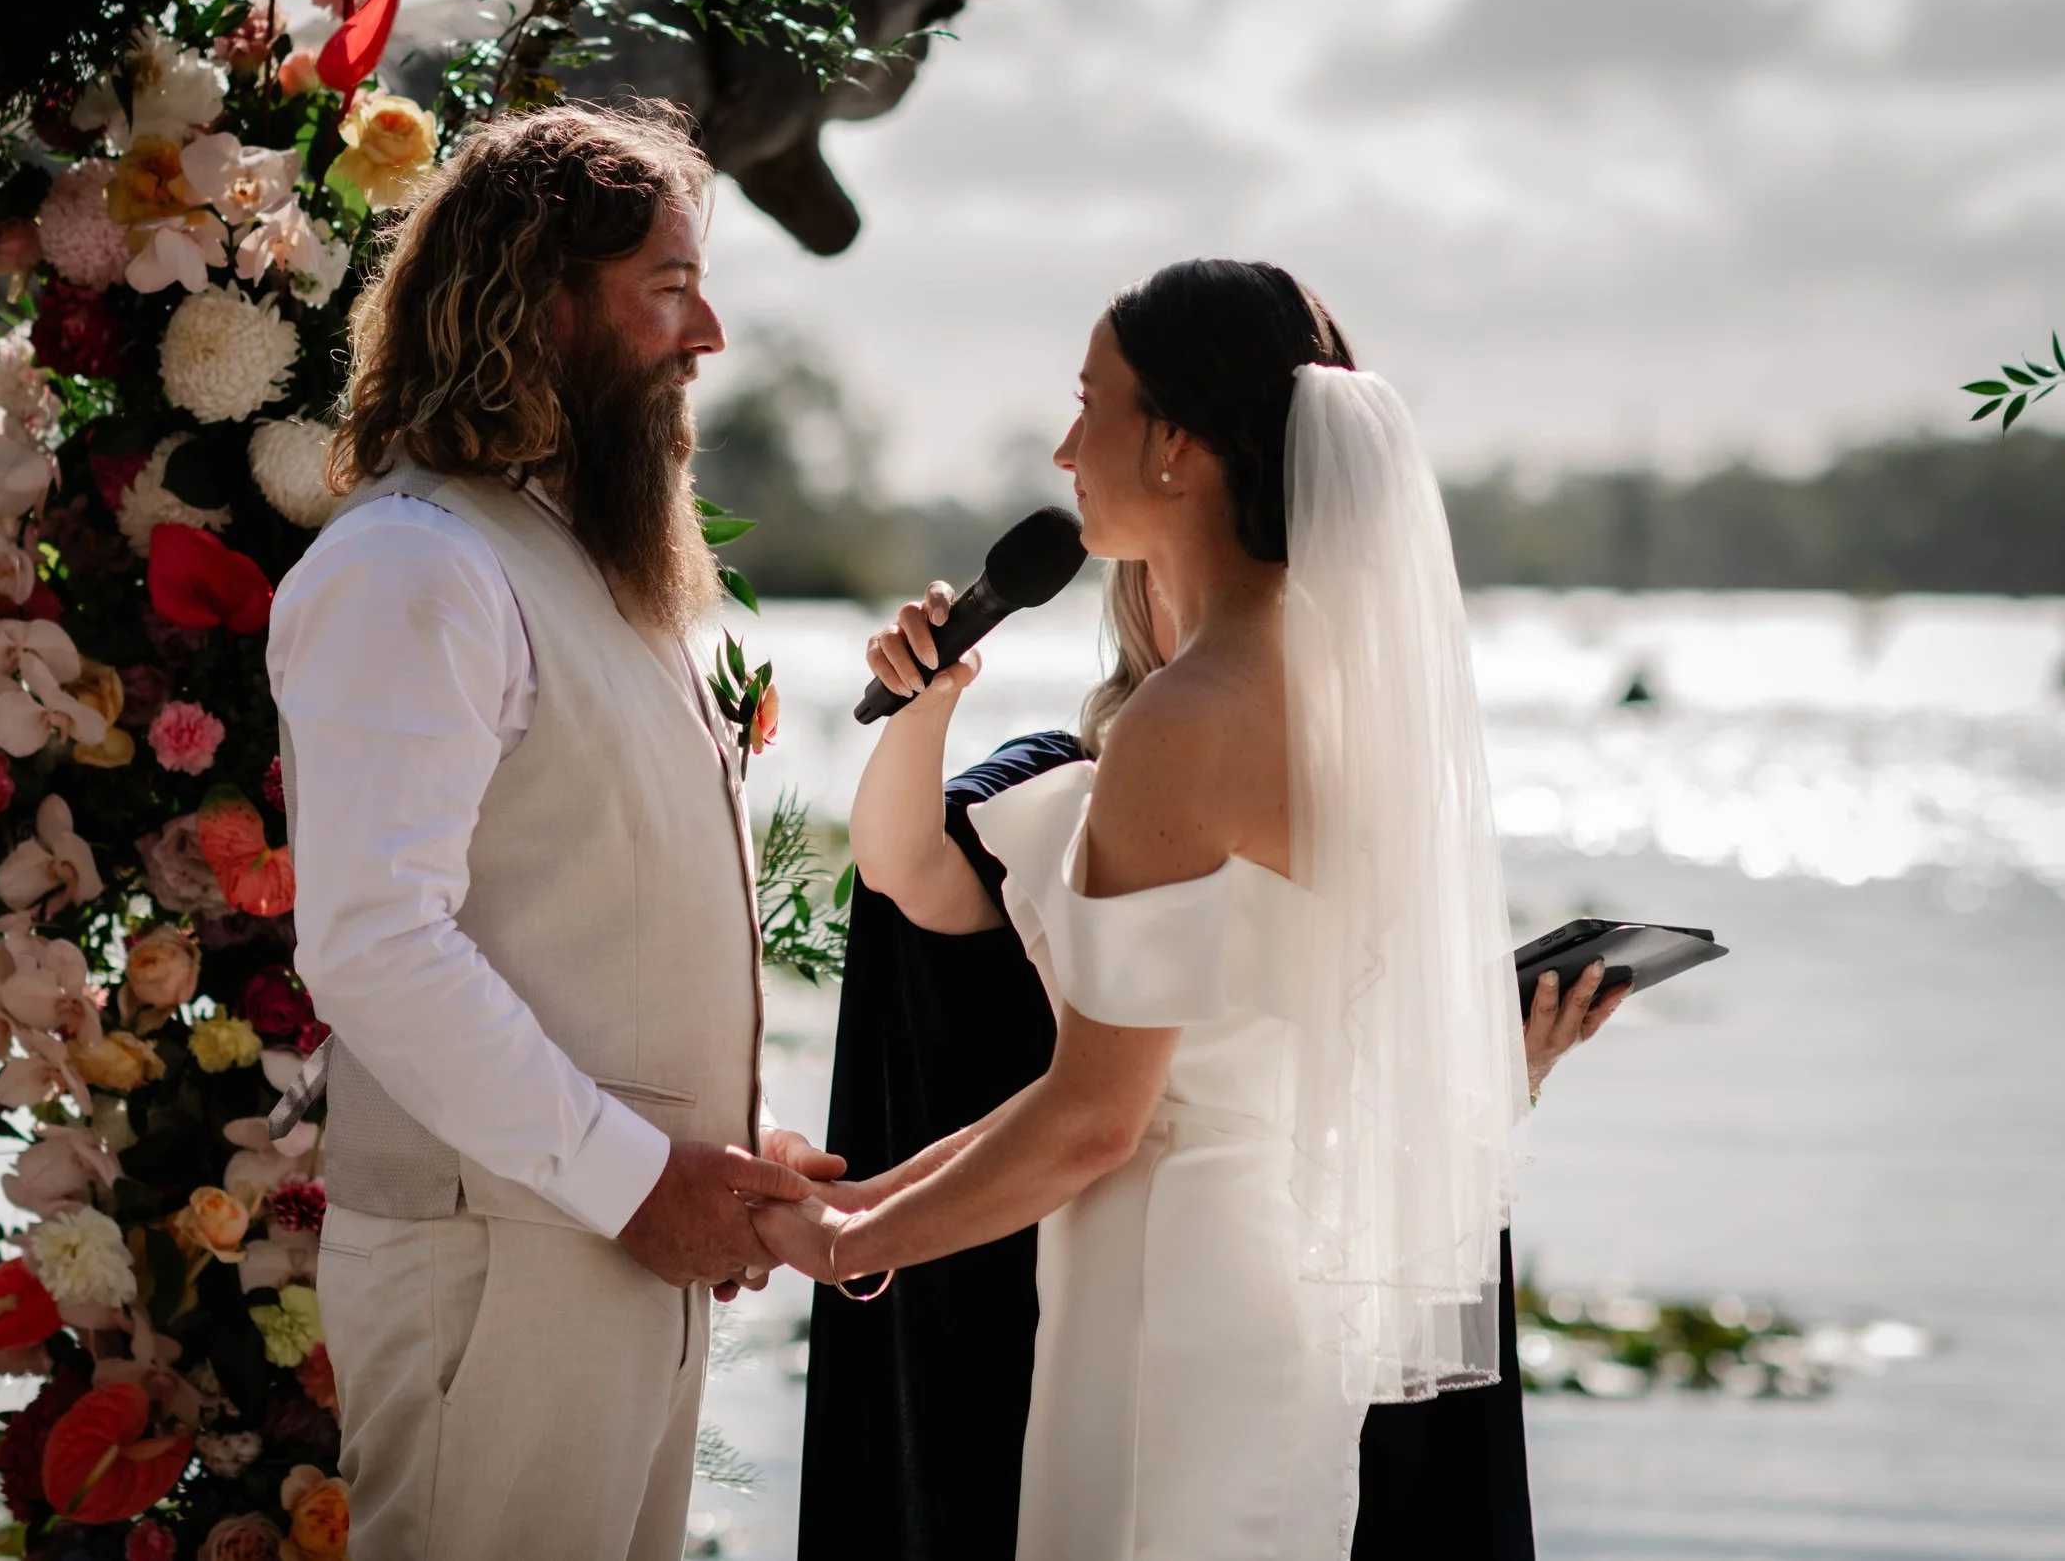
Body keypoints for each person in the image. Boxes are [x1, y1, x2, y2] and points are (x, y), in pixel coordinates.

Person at [756, 259, 1538, 1557]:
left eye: (1089, 404)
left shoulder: (1189, 717)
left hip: (1171, 1296)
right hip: (1270, 1280)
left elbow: (1097, 1117)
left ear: (1175, 444)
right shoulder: (1346, 693)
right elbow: (1136, 1082)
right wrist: (866, 1198)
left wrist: (845, 1247)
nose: (1064, 449)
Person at [803, 559, 1628, 1560]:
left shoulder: (1359, 815)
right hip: (1092, 1266)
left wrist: (1506, 1071)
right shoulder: (1066, 782)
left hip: (1269, 1275)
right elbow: (907, 868)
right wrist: (923, 708)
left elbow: (1362, 1102)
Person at [267, 103, 831, 1561]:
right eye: (666, 286)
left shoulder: (585, 559)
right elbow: (375, 942)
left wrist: (721, 1147)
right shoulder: (416, 563)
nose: (707, 332)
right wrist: (641, 1178)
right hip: (501, 1272)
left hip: (621, 1243)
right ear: (539, 303)